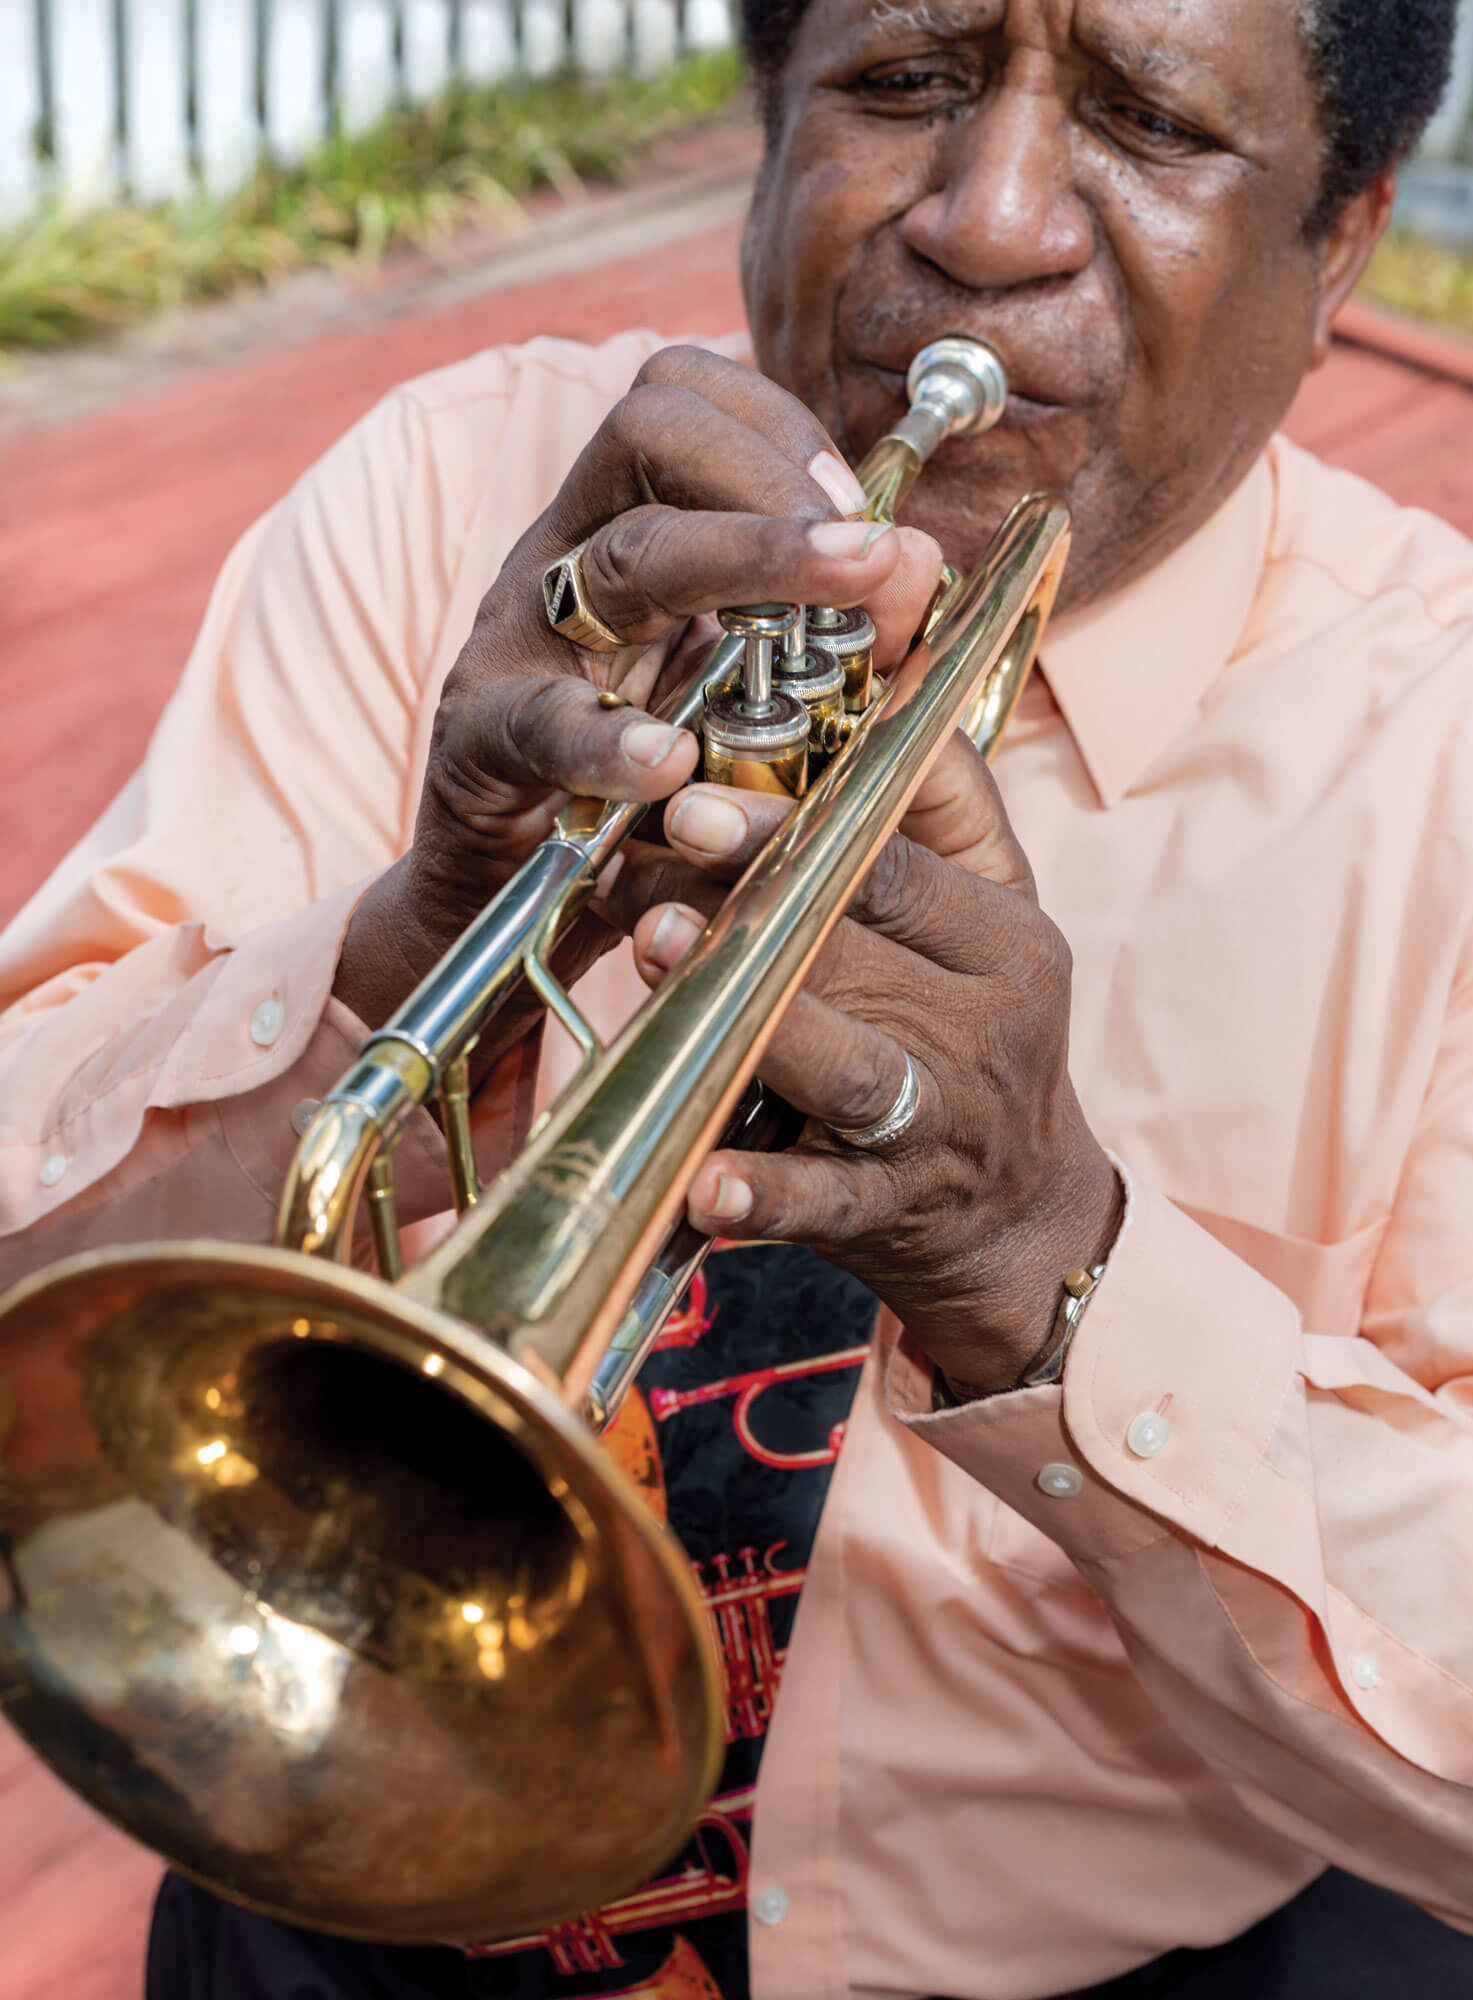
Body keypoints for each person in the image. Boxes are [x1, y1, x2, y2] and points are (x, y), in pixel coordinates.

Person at [4, 0, 1473, 1992]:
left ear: (1343, 240)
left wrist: (1045, 1259)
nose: (987, 221)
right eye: (901, 82)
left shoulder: (1434, 742)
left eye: (1145, 124)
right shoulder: (445, 494)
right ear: (765, 128)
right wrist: (393, 963)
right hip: (324, 1889)